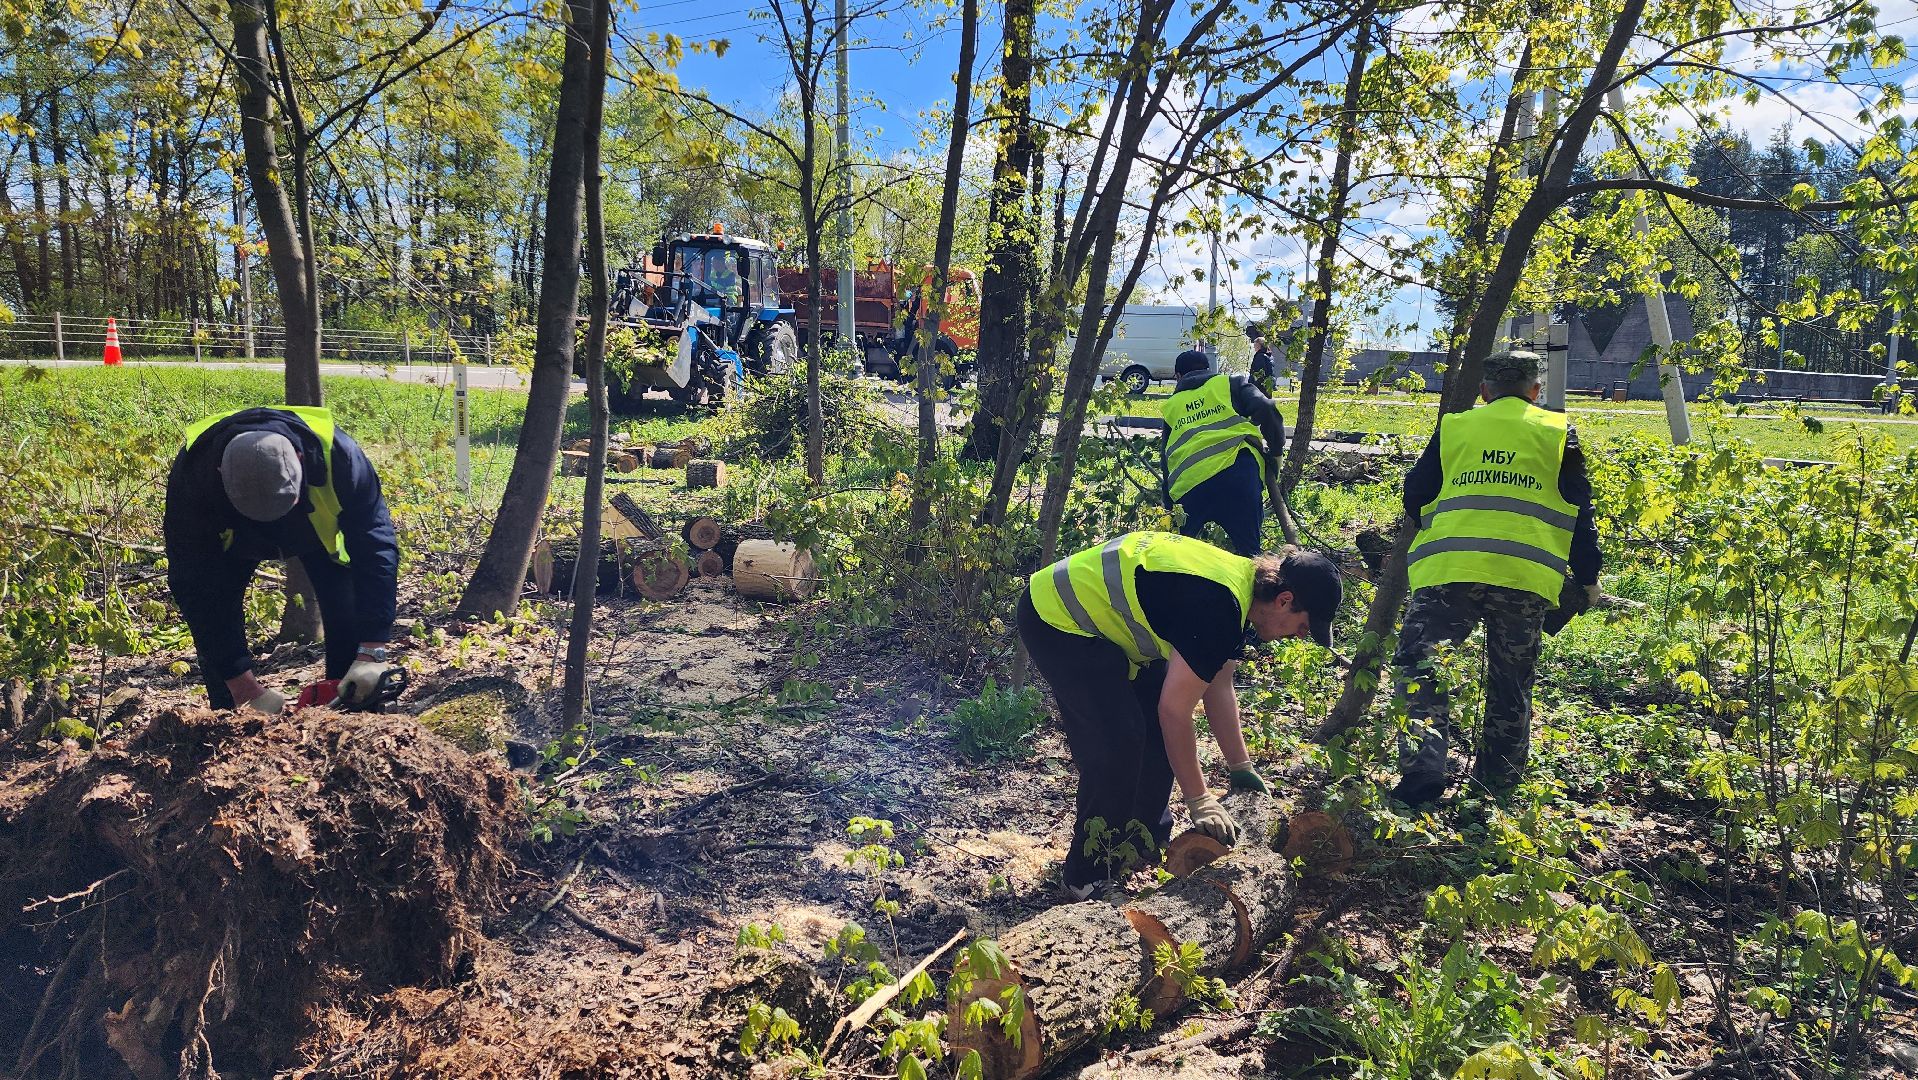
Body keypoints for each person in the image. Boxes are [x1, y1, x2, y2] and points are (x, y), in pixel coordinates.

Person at [1019, 532, 1344, 899]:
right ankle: (1086, 875)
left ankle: (1143, 840)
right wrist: (1199, 799)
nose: (1299, 637)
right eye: (1303, 627)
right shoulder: (1218, 608)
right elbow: (1175, 711)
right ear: (1285, 601)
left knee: (1154, 734)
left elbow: (1219, 685)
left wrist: (1241, 767)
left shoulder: (1239, 593)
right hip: (1057, 617)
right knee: (1119, 742)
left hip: (1108, 629)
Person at [1391, 350, 1602, 806]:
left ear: (1485, 391)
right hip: (1524, 578)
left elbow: (1416, 493)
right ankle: (1496, 788)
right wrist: (1588, 578)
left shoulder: (1456, 427)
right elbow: (1581, 512)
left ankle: (1423, 771)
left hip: (1450, 570)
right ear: (1535, 391)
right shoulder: (1558, 432)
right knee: (1511, 683)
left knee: (1419, 666)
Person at [165, 406, 401, 713]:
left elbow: (375, 550)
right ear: (220, 473)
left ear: (301, 460)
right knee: (217, 619)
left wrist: (372, 651)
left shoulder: (340, 459)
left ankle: (352, 716)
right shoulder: (193, 478)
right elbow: (195, 586)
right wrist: (242, 687)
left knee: (348, 610)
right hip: (233, 541)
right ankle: (230, 725)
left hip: (314, 532)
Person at [1162, 349, 1287, 555]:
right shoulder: (1230, 383)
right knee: (1250, 557)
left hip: (1190, 488)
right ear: (1208, 369)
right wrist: (1275, 451)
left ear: (1178, 377)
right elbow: (1266, 409)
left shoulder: (1171, 406)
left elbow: (1166, 460)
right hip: (1238, 476)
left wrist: (1170, 507)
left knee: (1180, 558)